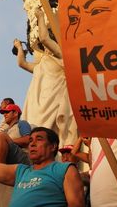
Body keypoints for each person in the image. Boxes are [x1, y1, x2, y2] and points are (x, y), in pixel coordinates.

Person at [0, 119, 85, 207]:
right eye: (30, 140)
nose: (32, 143)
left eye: (39, 139)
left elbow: (76, 205)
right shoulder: (21, 171)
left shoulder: (65, 169)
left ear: (53, 146)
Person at [15, 8, 78, 146]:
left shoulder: (61, 57)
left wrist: (41, 17)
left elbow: (44, 38)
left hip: (52, 101)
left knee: (46, 134)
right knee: (34, 131)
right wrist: (19, 47)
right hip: (36, 105)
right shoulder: (41, 63)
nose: (45, 44)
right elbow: (22, 63)